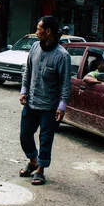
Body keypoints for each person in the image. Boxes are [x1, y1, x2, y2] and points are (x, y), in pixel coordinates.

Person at [19, 16, 71, 186]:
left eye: (38, 28)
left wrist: (62, 107)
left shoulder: (62, 56)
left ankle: (40, 170)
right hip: (31, 103)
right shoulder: (34, 47)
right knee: (25, 134)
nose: (36, 32)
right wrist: (24, 91)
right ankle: (33, 161)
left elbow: (65, 84)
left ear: (47, 32)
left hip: (49, 107)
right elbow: (28, 71)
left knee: (45, 140)